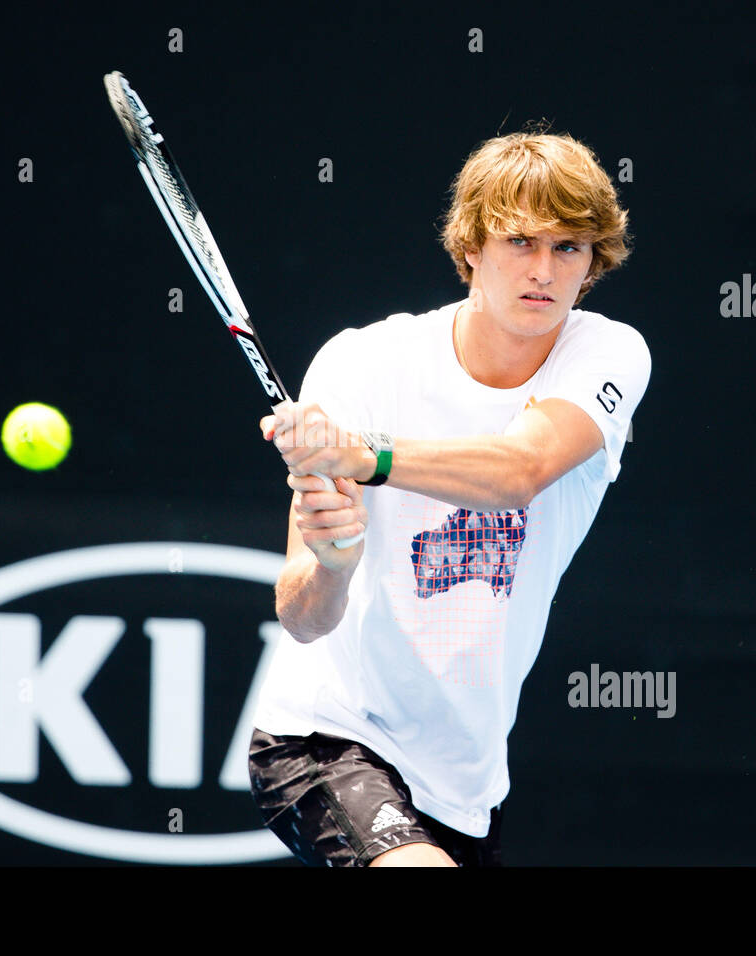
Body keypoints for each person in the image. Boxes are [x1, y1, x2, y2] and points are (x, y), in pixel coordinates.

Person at [246, 126, 651, 867]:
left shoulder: (609, 353)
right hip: (324, 736)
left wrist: (365, 458)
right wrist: (334, 564)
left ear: (592, 263)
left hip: (463, 781)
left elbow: (519, 471)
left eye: (569, 248)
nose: (544, 270)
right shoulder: (361, 362)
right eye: (520, 242)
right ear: (470, 247)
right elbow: (301, 618)